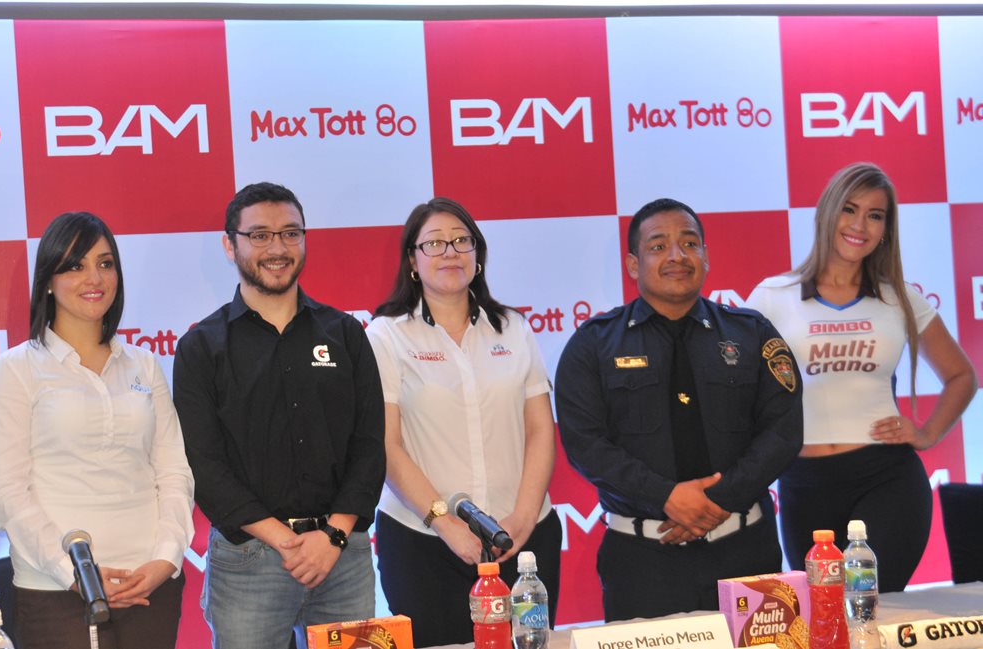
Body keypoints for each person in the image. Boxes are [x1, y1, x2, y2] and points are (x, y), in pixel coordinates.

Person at [555, 198, 803, 622]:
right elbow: (585, 445)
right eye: (658, 246)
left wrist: (716, 503)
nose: (677, 255)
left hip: (746, 557)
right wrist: (667, 497)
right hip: (642, 563)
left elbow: (782, 433)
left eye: (689, 243)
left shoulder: (752, 333)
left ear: (705, 257)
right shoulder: (593, 344)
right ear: (634, 265)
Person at [173, 182, 385, 649]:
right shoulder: (202, 347)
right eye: (261, 235)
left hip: (342, 556)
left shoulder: (346, 333)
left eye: (291, 233)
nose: (278, 248)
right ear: (230, 245)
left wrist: (332, 535)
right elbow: (203, 465)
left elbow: (369, 446)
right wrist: (286, 541)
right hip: (249, 559)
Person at [746, 162, 975, 591]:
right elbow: (738, 391)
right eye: (849, 209)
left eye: (875, 215)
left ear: (886, 229)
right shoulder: (772, 296)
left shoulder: (898, 297)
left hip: (886, 479)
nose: (859, 225)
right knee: (827, 617)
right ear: (827, 214)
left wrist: (926, 434)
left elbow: (962, 376)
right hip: (803, 483)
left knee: (874, 608)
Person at [0, 212, 195, 649]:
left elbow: (174, 473)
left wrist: (166, 560)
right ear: (47, 279)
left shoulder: (144, 364)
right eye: (75, 265)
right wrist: (72, 573)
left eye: (105, 263)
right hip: (56, 592)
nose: (93, 277)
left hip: (149, 587)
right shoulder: (16, 368)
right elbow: (4, 489)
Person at [366, 197, 560, 647]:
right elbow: (386, 444)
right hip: (423, 542)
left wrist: (523, 517)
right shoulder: (387, 335)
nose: (450, 252)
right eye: (433, 243)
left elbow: (540, 429)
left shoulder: (513, 328)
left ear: (478, 254)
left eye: (461, 240)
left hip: (523, 541)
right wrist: (445, 523)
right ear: (412, 261)